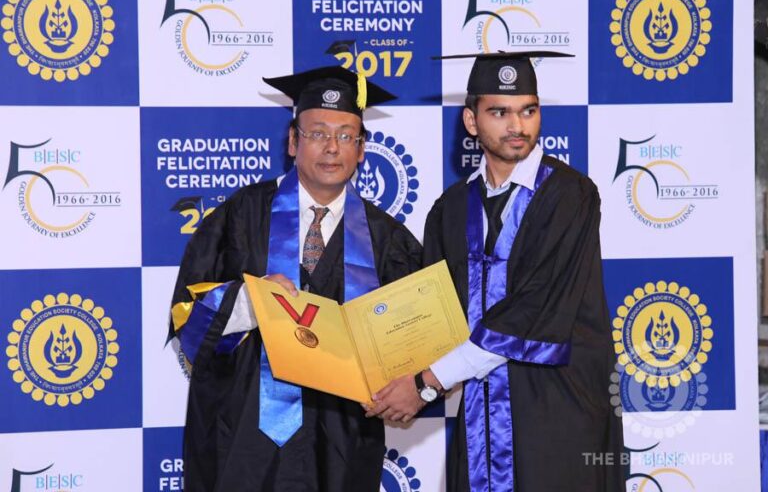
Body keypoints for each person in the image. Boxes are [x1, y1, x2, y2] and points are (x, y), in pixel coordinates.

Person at [366, 52, 625, 491]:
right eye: (500, 112)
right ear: (472, 121)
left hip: (558, 413)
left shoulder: (570, 196)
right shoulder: (450, 208)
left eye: (528, 110)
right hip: (480, 420)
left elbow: (535, 307)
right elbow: (433, 313)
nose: (517, 125)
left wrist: (427, 383)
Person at [169, 66, 422, 492]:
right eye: (318, 133)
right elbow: (185, 317)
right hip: (243, 437)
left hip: (343, 442)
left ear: (362, 150)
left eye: (346, 136)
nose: (332, 147)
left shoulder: (388, 239)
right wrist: (251, 301)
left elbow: (414, 342)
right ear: (292, 142)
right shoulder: (240, 215)